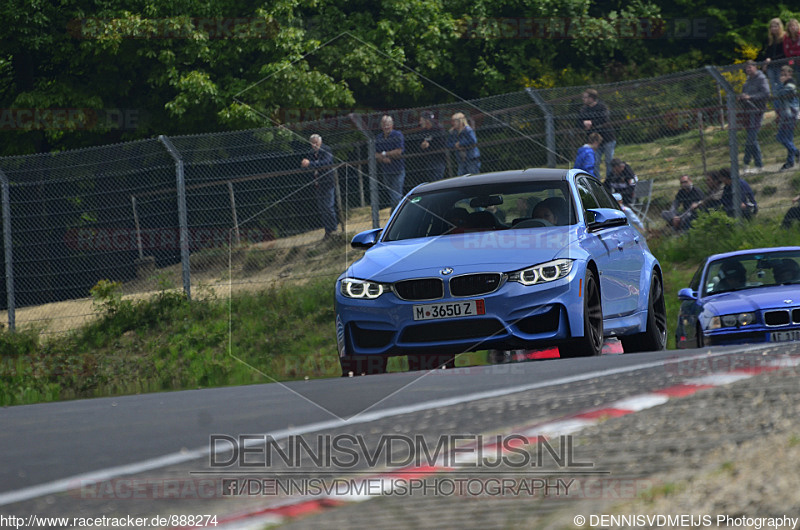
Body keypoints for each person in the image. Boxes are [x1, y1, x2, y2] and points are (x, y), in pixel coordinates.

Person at [300, 134, 338, 240]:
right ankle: (328, 231)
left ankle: (334, 229)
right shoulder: (310, 153)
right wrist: (305, 165)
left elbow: (326, 162)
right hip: (318, 184)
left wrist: (310, 164)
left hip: (328, 183)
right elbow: (307, 166)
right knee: (322, 209)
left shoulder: (326, 149)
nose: (315, 145)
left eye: (316, 142)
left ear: (320, 142)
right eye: (312, 143)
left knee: (329, 207)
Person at [738, 60, 770, 174]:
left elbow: (766, 93)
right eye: (746, 68)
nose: (748, 69)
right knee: (752, 139)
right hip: (748, 112)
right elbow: (745, 93)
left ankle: (746, 163)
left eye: (750, 67)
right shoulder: (747, 81)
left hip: (757, 111)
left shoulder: (761, 78)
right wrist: (742, 97)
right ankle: (759, 165)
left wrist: (750, 97)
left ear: (755, 67)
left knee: (750, 139)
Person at [578, 88, 616, 178]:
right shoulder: (583, 110)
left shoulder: (602, 107)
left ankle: (609, 183)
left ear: (591, 98)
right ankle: (597, 183)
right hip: (594, 142)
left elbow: (604, 119)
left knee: (608, 161)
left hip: (607, 138)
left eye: (585, 97)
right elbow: (578, 121)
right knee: (595, 162)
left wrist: (591, 123)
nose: (583, 99)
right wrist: (583, 123)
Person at [375, 115, 406, 210]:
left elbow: (398, 151)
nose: (386, 127)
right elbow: (375, 154)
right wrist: (383, 158)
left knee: (396, 196)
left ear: (392, 125)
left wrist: (384, 154)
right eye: (384, 124)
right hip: (386, 171)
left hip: (397, 169)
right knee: (392, 194)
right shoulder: (379, 137)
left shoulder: (397, 135)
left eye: (388, 124)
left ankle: (395, 215)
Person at [774, 65, 800, 171]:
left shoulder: (791, 84)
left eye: (785, 75)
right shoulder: (784, 85)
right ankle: (790, 162)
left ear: (790, 74)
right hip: (786, 114)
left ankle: (797, 152)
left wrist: (779, 86)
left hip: (791, 114)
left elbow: (780, 94)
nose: (782, 77)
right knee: (788, 139)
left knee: (780, 137)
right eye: (781, 75)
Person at [415, 111, 447, 181]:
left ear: (426, 120)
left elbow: (442, 143)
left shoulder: (438, 129)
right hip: (428, 160)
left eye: (421, 120)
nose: (420, 123)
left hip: (438, 159)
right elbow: (418, 144)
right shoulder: (423, 131)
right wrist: (422, 145)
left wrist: (429, 145)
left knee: (437, 179)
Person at [758, 18, 786, 94]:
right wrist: (765, 63)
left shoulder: (784, 37)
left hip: (781, 64)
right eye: (772, 27)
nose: (773, 29)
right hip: (770, 66)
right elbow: (767, 53)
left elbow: (784, 52)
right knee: (773, 86)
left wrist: (771, 59)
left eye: (775, 26)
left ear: (779, 27)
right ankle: (777, 105)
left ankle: (784, 104)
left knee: (781, 85)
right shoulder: (769, 39)